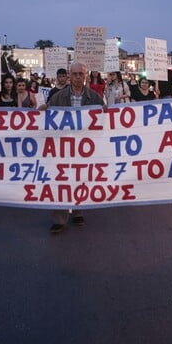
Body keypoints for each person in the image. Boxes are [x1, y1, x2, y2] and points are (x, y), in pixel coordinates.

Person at [45, 61, 105, 234]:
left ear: (85, 76)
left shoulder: (94, 97)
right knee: (61, 179)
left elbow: (103, 116)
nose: (78, 77)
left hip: (85, 148)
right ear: (70, 76)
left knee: (81, 177)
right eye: (75, 74)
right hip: (63, 147)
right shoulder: (58, 96)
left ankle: (77, 211)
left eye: (81, 74)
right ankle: (59, 218)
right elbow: (48, 112)